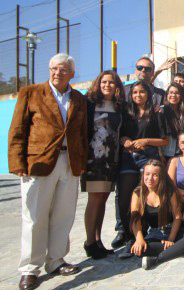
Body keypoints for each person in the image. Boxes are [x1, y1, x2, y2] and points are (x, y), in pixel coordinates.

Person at [8, 53, 86, 290]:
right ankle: (30, 268)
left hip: (69, 162)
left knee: (64, 215)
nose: (57, 72)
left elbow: (82, 132)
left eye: (63, 69)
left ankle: (56, 260)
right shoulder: (30, 93)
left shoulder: (79, 99)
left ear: (72, 73)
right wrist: (18, 163)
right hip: (39, 163)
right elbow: (17, 130)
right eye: (54, 68)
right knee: (34, 217)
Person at [116, 80, 169, 257]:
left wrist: (145, 141)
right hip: (128, 158)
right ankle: (131, 237)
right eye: (135, 93)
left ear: (148, 94)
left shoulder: (156, 113)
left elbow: (164, 140)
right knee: (125, 198)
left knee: (145, 195)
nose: (138, 95)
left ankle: (148, 234)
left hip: (148, 157)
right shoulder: (126, 112)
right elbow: (120, 134)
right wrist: (125, 141)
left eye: (141, 92)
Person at [129, 159, 184, 270]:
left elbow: (177, 217)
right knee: (139, 250)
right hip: (154, 234)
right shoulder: (137, 193)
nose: (150, 178)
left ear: (161, 177)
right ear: (143, 174)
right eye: (147, 174)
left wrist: (170, 239)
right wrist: (139, 239)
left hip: (173, 231)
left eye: (155, 175)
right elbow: (135, 219)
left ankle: (157, 259)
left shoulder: (169, 191)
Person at [82, 70, 125, 260]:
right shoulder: (89, 103)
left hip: (112, 159)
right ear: (98, 84)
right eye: (104, 82)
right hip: (94, 158)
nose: (107, 85)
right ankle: (89, 242)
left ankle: (98, 240)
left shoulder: (119, 106)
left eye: (112, 82)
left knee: (103, 200)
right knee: (95, 199)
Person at [161, 83, 184, 159]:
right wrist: (160, 154)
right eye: (171, 92)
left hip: (182, 153)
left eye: (177, 93)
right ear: (167, 94)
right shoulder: (161, 111)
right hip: (165, 154)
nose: (173, 95)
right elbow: (157, 134)